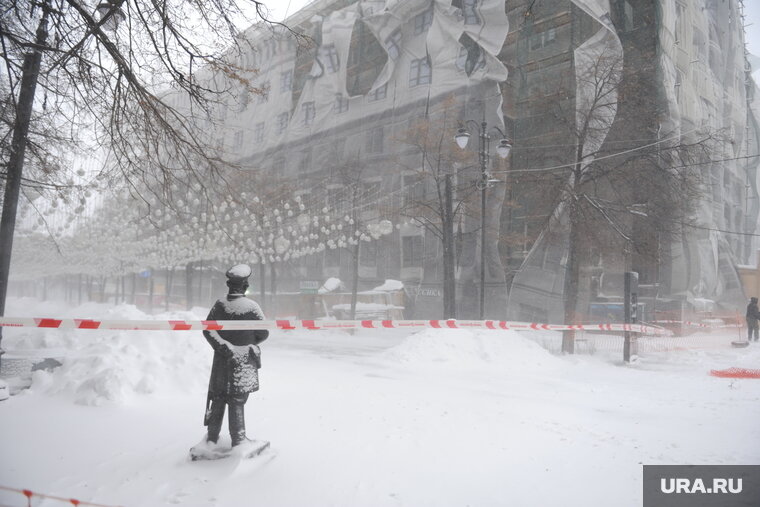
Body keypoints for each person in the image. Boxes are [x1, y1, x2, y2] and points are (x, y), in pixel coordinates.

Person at [202, 264, 268, 447]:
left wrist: (222, 346)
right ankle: (238, 440)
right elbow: (263, 333)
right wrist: (246, 342)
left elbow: (208, 330)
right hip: (242, 361)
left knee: (218, 398)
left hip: (222, 361)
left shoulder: (219, 305)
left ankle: (212, 438)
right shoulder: (252, 307)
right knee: (237, 400)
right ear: (245, 285)